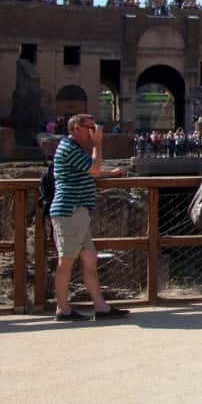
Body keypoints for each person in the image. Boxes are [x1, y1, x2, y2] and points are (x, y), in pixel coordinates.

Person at [49, 113, 129, 321]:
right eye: (89, 127)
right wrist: (98, 144)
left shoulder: (73, 149)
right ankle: (63, 309)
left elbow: (91, 172)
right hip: (70, 211)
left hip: (79, 213)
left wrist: (110, 174)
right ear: (76, 128)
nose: (93, 131)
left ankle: (101, 307)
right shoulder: (67, 147)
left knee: (89, 259)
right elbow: (94, 167)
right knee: (65, 262)